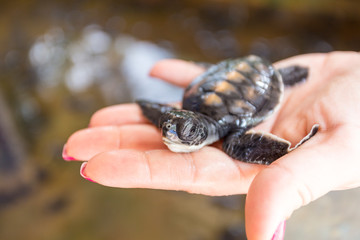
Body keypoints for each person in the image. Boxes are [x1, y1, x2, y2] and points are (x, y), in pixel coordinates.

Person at [63, 51, 360, 240]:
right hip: (218, 81)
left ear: (198, 132)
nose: (169, 131)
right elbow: (167, 116)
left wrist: (290, 151)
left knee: (240, 148)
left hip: (259, 77)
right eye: (169, 125)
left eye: (182, 130)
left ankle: (281, 75)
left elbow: (258, 146)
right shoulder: (184, 110)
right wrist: (153, 111)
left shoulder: (233, 132)